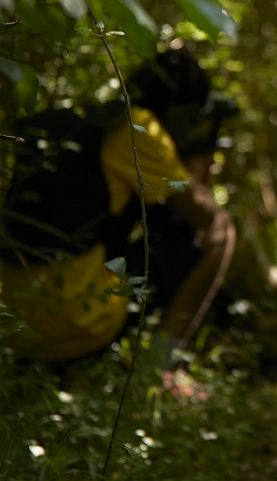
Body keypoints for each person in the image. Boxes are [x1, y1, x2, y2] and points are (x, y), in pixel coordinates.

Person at [0, 49, 236, 372]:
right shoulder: (138, 127)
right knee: (214, 232)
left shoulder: (76, 123)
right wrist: (194, 168)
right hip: (75, 325)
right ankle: (158, 366)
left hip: (13, 324)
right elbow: (209, 220)